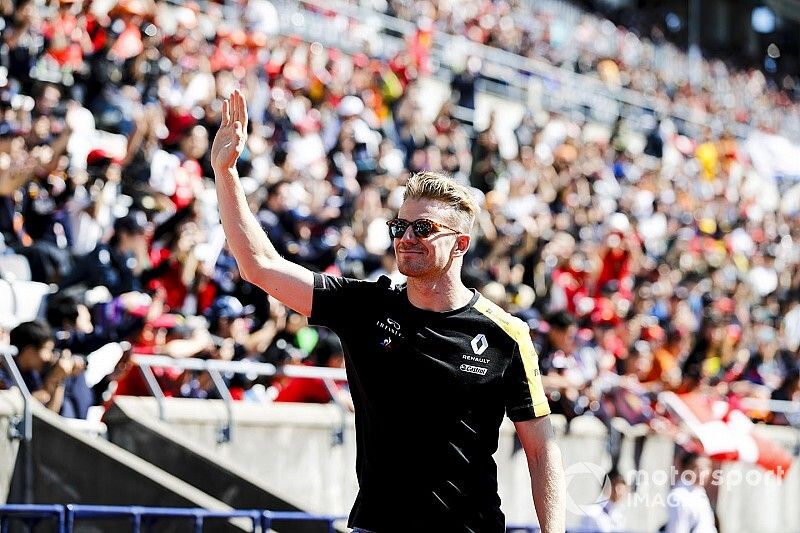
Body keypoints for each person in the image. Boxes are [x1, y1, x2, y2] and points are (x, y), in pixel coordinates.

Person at [211, 90, 566, 533]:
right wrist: (225, 173)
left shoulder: (506, 334)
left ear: (460, 244)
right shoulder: (365, 305)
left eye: (424, 228)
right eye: (400, 227)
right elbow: (260, 266)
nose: (407, 237)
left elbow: (540, 450)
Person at [666, 452, 718, 533]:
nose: (701, 473)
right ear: (685, 469)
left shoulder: (699, 492)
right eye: (696, 468)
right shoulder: (679, 496)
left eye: (706, 468)